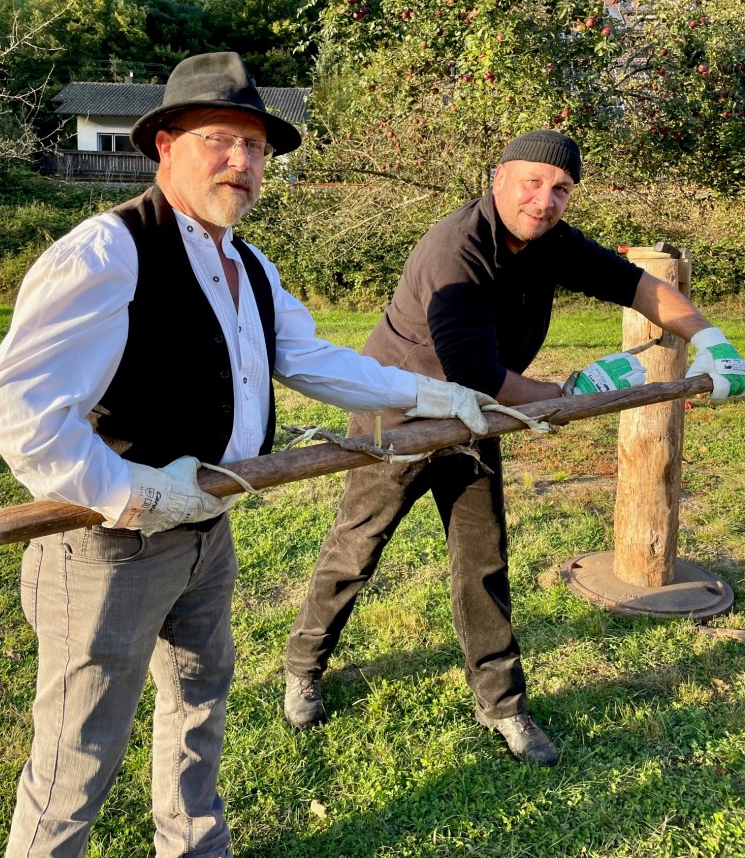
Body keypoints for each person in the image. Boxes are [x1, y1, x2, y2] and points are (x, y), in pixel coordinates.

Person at [0, 52, 494, 858]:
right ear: (165, 145)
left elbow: (313, 359)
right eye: (220, 139)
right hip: (106, 550)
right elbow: (17, 409)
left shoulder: (248, 263)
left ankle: (195, 847)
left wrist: (434, 393)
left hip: (206, 534)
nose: (243, 162)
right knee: (77, 754)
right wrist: (135, 493)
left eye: (256, 147)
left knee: (197, 705)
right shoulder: (108, 251)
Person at [283, 128, 745, 766]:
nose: (545, 200)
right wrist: (561, 396)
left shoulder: (551, 241)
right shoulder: (458, 249)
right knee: (357, 546)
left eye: (561, 189)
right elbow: (474, 371)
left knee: (483, 559)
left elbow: (637, 285)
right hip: (398, 417)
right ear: (499, 179)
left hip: (479, 420)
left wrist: (712, 338)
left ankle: (502, 704)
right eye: (532, 182)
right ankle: (303, 666)